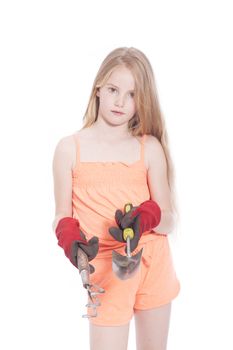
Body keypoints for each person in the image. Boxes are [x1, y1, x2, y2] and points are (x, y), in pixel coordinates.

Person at [52, 47, 181, 350]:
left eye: (132, 94)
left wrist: (149, 216)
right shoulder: (69, 149)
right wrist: (68, 236)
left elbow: (169, 217)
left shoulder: (148, 148)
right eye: (113, 89)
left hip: (153, 263)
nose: (121, 102)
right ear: (98, 88)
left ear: (142, 100)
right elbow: (61, 214)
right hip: (106, 268)